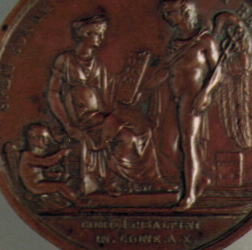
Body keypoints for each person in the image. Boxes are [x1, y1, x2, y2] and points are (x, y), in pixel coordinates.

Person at [46, 15, 173, 196]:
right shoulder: (65, 60)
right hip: (79, 118)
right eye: (98, 34)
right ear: (86, 34)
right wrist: (67, 124)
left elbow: (117, 95)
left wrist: (146, 83)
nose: (101, 38)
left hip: (99, 116)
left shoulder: (98, 66)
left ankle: (152, 180)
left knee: (144, 131)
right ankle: (114, 178)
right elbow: (52, 93)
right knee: (127, 137)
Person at [156, 0, 223, 210]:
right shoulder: (175, 43)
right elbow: (169, 70)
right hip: (175, 95)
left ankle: (189, 195)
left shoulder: (205, 40)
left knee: (187, 144)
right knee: (166, 146)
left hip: (192, 95)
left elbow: (217, 71)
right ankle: (198, 178)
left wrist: (205, 93)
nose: (167, 17)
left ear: (185, 13)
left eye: (170, 12)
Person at [16, 123, 80, 204]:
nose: (45, 141)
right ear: (31, 139)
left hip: (40, 181)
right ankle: (77, 201)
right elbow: (46, 162)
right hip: (35, 186)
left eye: (46, 138)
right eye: (41, 138)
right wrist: (60, 154)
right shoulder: (26, 155)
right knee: (60, 186)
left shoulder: (37, 153)